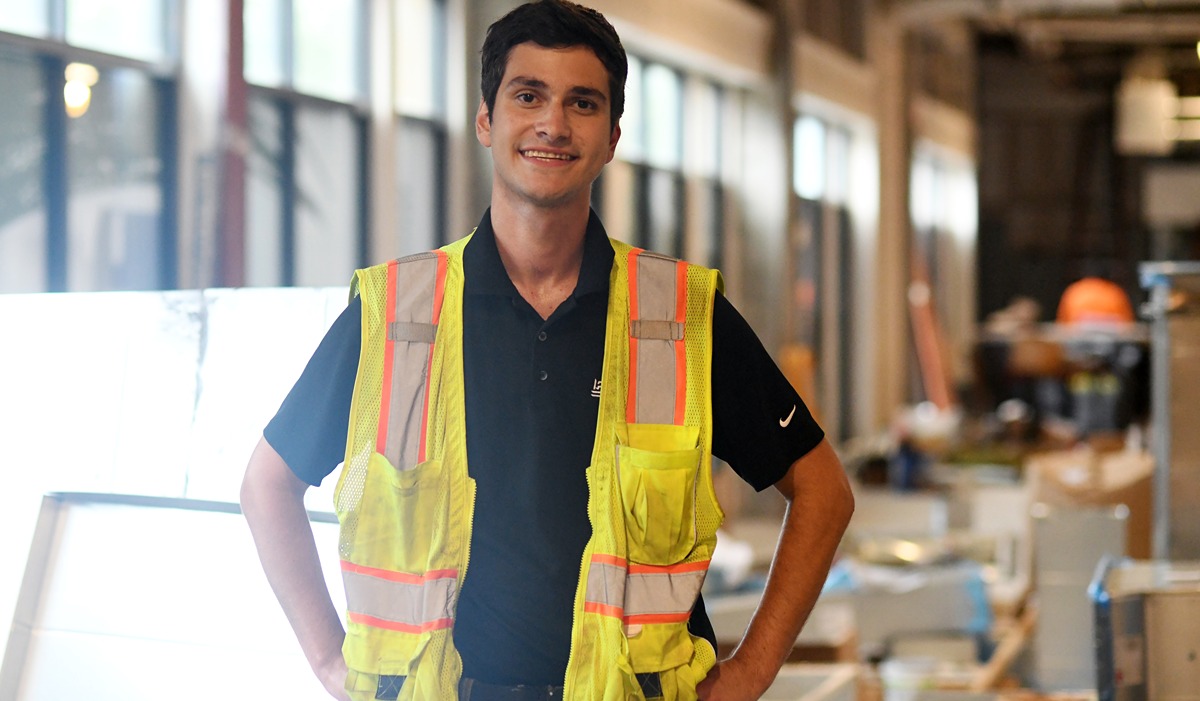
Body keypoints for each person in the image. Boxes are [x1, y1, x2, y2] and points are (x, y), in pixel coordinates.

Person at [239, 2, 854, 700]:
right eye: (527, 95)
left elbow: (824, 491)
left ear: (613, 136)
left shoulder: (678, 314)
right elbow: (267, 483)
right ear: (486, 120)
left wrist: (752, 670)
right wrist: (329, 660)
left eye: (582, 103)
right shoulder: (399, 312)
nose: (553, 124)